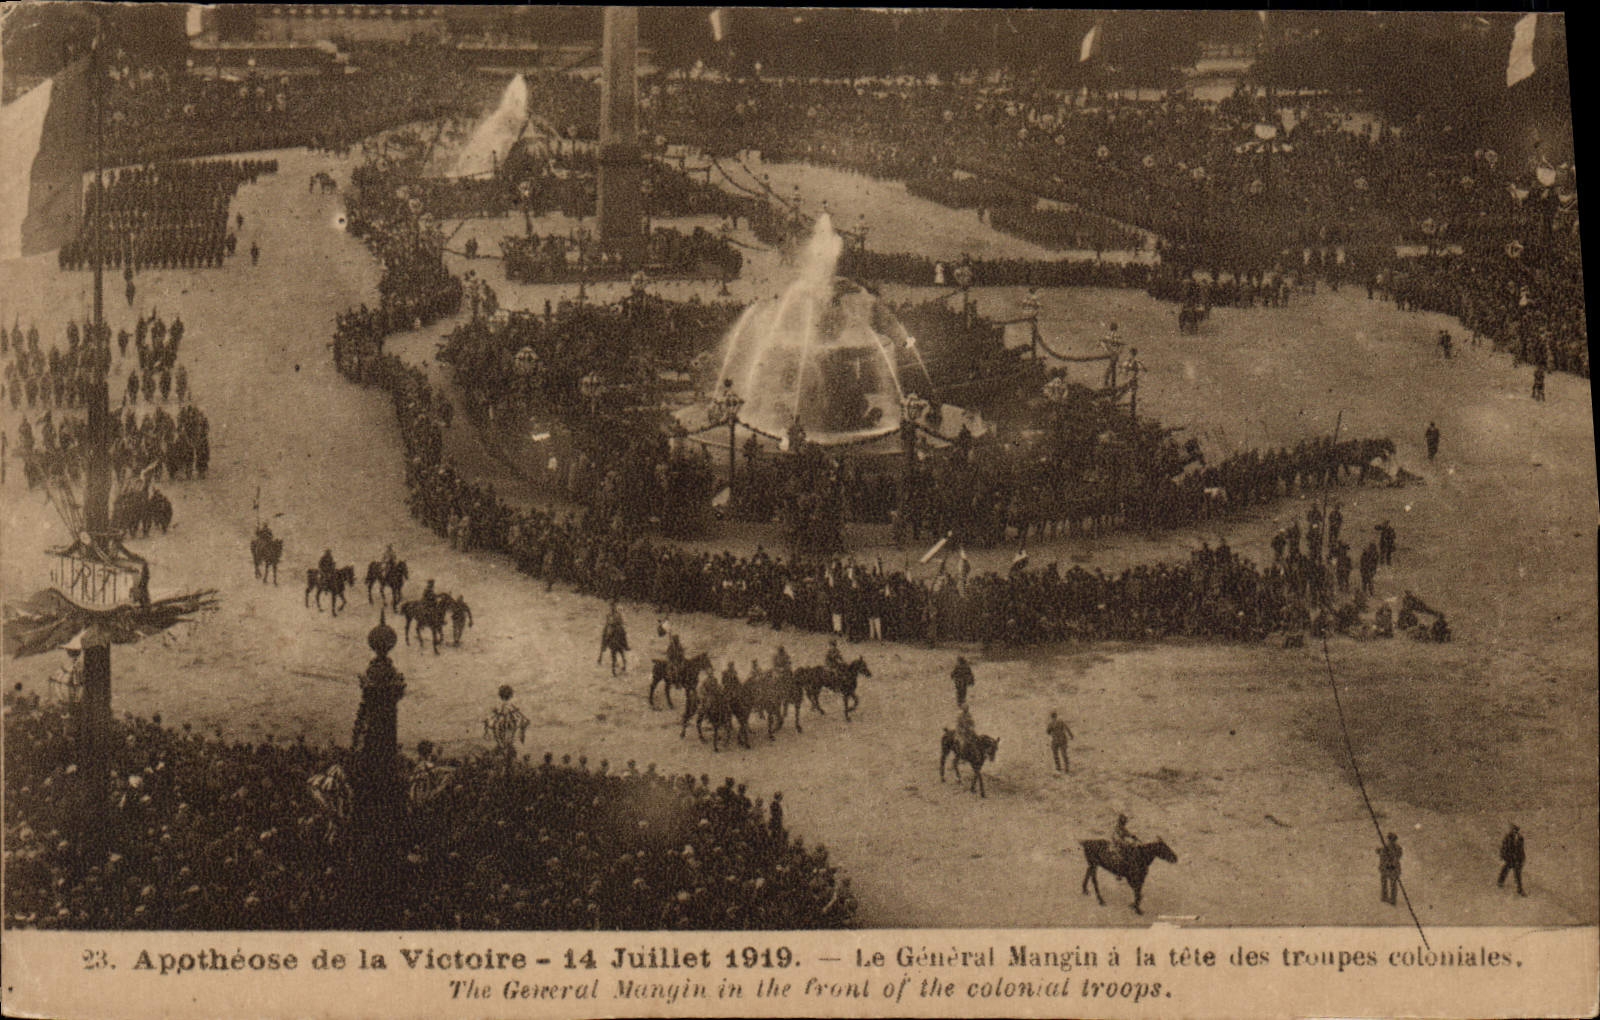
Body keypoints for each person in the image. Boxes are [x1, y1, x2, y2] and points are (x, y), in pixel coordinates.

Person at [1498, 824, 1526, 895]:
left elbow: (1521, 849)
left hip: (1517, 859)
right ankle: (1500, 883)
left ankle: (1519, 889)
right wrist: (1503, 855)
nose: (1515, 831)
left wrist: (1522, 859)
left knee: (1518, 875)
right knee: (1505, 870)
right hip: (1510, 858)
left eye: (1516, 830)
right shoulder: (1508, 838)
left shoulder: (1520, 838)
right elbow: (1504, 847)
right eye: (1514, 830)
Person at [1378, 833, 1403, 905]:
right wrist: (1381, 852)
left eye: (1393, 840)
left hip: (1393, 868)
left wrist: (1392, 858)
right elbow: (1381, 855)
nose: (1391, 841)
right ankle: (1384, 896)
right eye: (1390, 839)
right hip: (1385, 868)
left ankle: (1393, 899)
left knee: (1393, 884)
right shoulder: (1385, 847)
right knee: (1384, 883)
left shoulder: (1397, 848)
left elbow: (1399, 856)